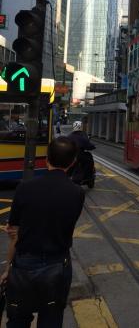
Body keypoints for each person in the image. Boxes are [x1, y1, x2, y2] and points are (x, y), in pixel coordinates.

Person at [0, 137, 84, 328]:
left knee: (18, 319)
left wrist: (7, 269)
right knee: (51, 319)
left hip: (24, 265)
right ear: (72, 163)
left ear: (46, 159)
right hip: (57, 266)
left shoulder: (24, 187)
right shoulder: (77, 193)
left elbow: (14, 233)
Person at [67, 121, 96, 187]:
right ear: (81, 127)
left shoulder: (69, 136)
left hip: (70, 155)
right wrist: (93, 146)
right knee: (89, 158)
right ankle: (88, 176)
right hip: (80, 155)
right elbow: (88, 145)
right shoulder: (83, 135)